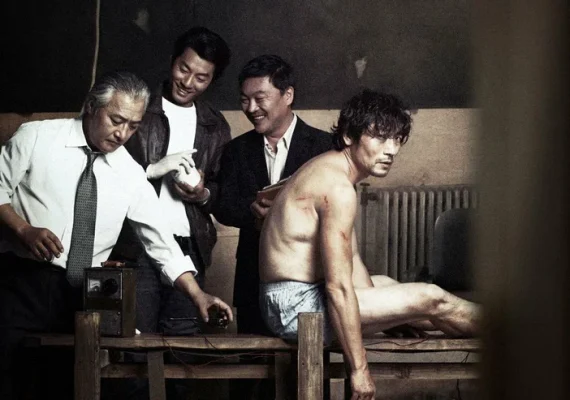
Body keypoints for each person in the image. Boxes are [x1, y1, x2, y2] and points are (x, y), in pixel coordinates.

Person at [0, 70, 232, 400]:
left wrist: (198, 296)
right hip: (22, 284)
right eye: (116, 120)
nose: (123, 133)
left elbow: (162, 244)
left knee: (70, 386)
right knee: (11, 380)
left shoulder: (129, 174)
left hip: (83, 297)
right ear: (91, 106)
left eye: (134, 126)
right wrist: (23, 229)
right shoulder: (37, 137)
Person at [258, 89, 480, 400]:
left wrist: (388, 314)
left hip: (293, 299)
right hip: (297, 308)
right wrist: (359, 369)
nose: (392, 150)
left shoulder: (332, 170)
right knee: (430, 296)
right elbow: (338, 287)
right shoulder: (337, 188)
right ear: (349, 136)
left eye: (397, 139)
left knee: (391, 286)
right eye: (380, 138)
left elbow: (352, 263)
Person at [213, 54, 333, 399]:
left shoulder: (324, 147)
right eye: (244, 100)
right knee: (250, 382)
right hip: (252, 279)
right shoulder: (236, 150)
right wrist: (251, 213)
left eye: (260, 98)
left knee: (310, 378)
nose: (251, 108)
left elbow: (336, 210)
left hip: (310, 283)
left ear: (287, 95)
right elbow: (224, 206)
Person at [111, 26, 231, 339]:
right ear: (171, 61)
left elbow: (221, 191)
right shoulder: (139, 109)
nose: (188, 82)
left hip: (191, 246)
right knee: (135, 341)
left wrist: (202, 193)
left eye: (201, 77)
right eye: (183, 69)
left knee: (183, 345)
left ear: (212, 80)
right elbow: (108, 173)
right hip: (136, 244)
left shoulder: (215, 125)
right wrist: (152, 169)